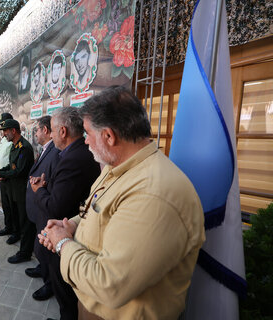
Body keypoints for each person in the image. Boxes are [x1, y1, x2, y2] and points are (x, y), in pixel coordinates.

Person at [39, 86, 205, 319]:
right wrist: (72, 226)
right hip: (91, 305)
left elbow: (110, 285)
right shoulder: (118, 168)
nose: (85, 141)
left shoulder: (153, 194)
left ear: (108, 136)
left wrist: (62, 243)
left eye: (87, 133)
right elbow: (95, 210)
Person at [30, 107, 101, 319]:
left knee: (66, 295)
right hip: (67, 229)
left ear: (62, 131)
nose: (50, 135)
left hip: (66, 233)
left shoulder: (75, 157)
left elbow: (55, 206)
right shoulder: (71, 153)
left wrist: (39, 190)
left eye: (51, 130)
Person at [0, 119, 34, 264]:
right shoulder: (14, 145)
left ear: (13, 131)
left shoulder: (24, 147)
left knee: (25, 222)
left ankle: (25, 252)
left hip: (22, 191)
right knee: (17, 218)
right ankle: (17, 237)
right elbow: (11, 166)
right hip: (14, 189)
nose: (4, 134)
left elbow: (19, 171)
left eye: (6, 131)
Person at [24, 116, 60, 301]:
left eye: (36, 130)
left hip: (45, 209)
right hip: (39, 208)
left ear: (45, 130)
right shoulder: (47, 149)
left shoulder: (55, 152)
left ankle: (50, 284)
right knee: (41, 250)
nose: (35, 134)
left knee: (45, 249)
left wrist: (41, 186)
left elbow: (51, 181)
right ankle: (43, 269)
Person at [0, 113, 14, 237]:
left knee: (11, 206)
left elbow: (11, 162)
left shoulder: (13, 141)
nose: (3, 131)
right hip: (0, 177)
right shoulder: (3, 140)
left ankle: (14, 230)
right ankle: (8, 226)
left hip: (8, 177)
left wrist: (2, 173)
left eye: (5, 128)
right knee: (5, 204)